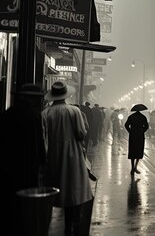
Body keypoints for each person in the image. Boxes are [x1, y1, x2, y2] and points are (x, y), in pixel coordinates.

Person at [42, 81, 93, 236]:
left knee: (54, 189)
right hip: (73, 155)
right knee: (74, 189)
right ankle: (72, 224)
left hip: (53, 155)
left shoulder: (45, 113)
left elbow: (43, 138)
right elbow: (81, 133)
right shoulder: (74, 111)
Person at [0, 83, 47, 234]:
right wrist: (42, 165)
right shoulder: (34, 115)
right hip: (28, 168)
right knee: (26, 206)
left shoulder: (8, 114)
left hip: (8, 167)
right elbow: (38, 145)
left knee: (10, 202)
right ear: (33, 99)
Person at [124, 106, 149, 175]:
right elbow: (146, 126)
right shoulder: (143, 117)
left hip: (132, 136)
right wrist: (142, 131)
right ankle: (135, 167)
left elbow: (126, 125)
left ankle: (132, 168)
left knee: (132, 152)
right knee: (139, 151)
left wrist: (130, 131)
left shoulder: (131, 117)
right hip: (140, 136)